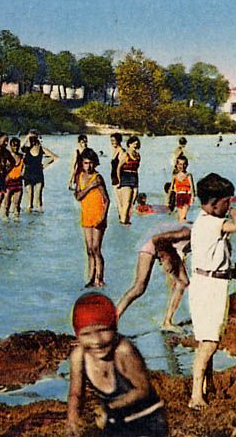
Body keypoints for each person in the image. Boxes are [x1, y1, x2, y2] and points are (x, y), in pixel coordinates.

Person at [67, 293, 167, 437]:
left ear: (114, 328)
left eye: (103, 330)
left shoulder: (123, 351)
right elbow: (75, 394)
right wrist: (73, 420)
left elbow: (143, 389)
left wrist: (110, 407)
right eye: (86, 334)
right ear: (77, 336)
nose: (96, 341)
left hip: (147, 420)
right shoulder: (78, 356)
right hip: (115, 420)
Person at [188, 173, 236, 410]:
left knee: (207, 339)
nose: (229, 207)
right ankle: (195, 395)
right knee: (209, 343)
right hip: (209, 287)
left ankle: (205, 387)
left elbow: (212, 258)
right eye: (226, 203)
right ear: (214, 203)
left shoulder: (202, 221)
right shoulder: (211, 222)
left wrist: (232, 272)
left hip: (208, 281)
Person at [116, 223, 191, 332]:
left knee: (183, 282)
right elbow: (156, 239)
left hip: (167, 246)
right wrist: (165, 258)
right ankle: (112, 321)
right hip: (151, 243)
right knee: (139, 287)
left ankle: (167, 322)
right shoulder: (188, 232)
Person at [75, 148, 110, 288]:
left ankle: (99, 278)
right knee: (89, 249)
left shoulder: (98, 178)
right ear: (82, 163)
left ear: (95, 163)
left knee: (96, 248)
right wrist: (90, 186)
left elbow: (107, 200)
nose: (88, 166)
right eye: (85, 163)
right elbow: (78, 196)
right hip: (86, 214)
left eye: (90, 163)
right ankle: (90, 277)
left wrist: (103, 217)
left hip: (98, 215)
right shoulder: (80, 177)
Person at [22, 131, 58, 212]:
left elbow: (54, 157)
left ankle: (40, 219)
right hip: (28, 174)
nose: (32, 140)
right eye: (31, 139)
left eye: (34, 138)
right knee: (29, 198)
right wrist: (27, 138)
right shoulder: (26, 149)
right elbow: (20, 148)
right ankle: (29, 219)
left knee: (39, 198)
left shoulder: (41, 148)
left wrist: (44, 165)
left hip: (38, 174)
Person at [109, 133, 130, 224]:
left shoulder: (122, 151)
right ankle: (121, 220)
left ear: (119, 140)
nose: (112, 142)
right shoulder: (114, 150)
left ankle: (123, 222)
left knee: (121, 202)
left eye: (114, 140)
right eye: (111, 141)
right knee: (118, 202)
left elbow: (121, 168)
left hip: (120, 178)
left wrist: (120, 181)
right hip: (114, 178)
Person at [122, 136, 142, 224]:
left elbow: (137, 169)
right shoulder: (125, 155)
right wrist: (119, 179)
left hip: (134, 176)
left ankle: (128, 220)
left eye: (136, 144)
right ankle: (123, 221)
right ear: (129, 144)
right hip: (126, 176)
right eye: (134, 143)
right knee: (127, 201)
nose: (135, 145)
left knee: (133, 200)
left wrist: (137, 183)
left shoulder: (138, 156)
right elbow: (119, 167)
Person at [3, 137, 24, 218]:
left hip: (18, 182)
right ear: (10, 146)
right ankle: (6, 221)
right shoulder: (6, 157)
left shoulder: (22, 157)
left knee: (17, 204)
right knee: (6, 205)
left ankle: (17, 223)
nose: (16, 147)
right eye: (14, 145)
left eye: (17, 146)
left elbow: (25, 168)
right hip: (8, 182)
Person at [169, 155, 194, 223]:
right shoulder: (175, 176)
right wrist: (169, 199)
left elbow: (192, 188)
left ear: (187, 165)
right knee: (180, 218)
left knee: (183, 216)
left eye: (184, 164)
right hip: (178, 197)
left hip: (187, 196)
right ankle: (185, 229)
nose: (182, 166)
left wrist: (192, 197)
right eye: (180, 164)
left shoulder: (188, 175)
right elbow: (171, 189)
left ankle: (192, 226)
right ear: (177, 165)